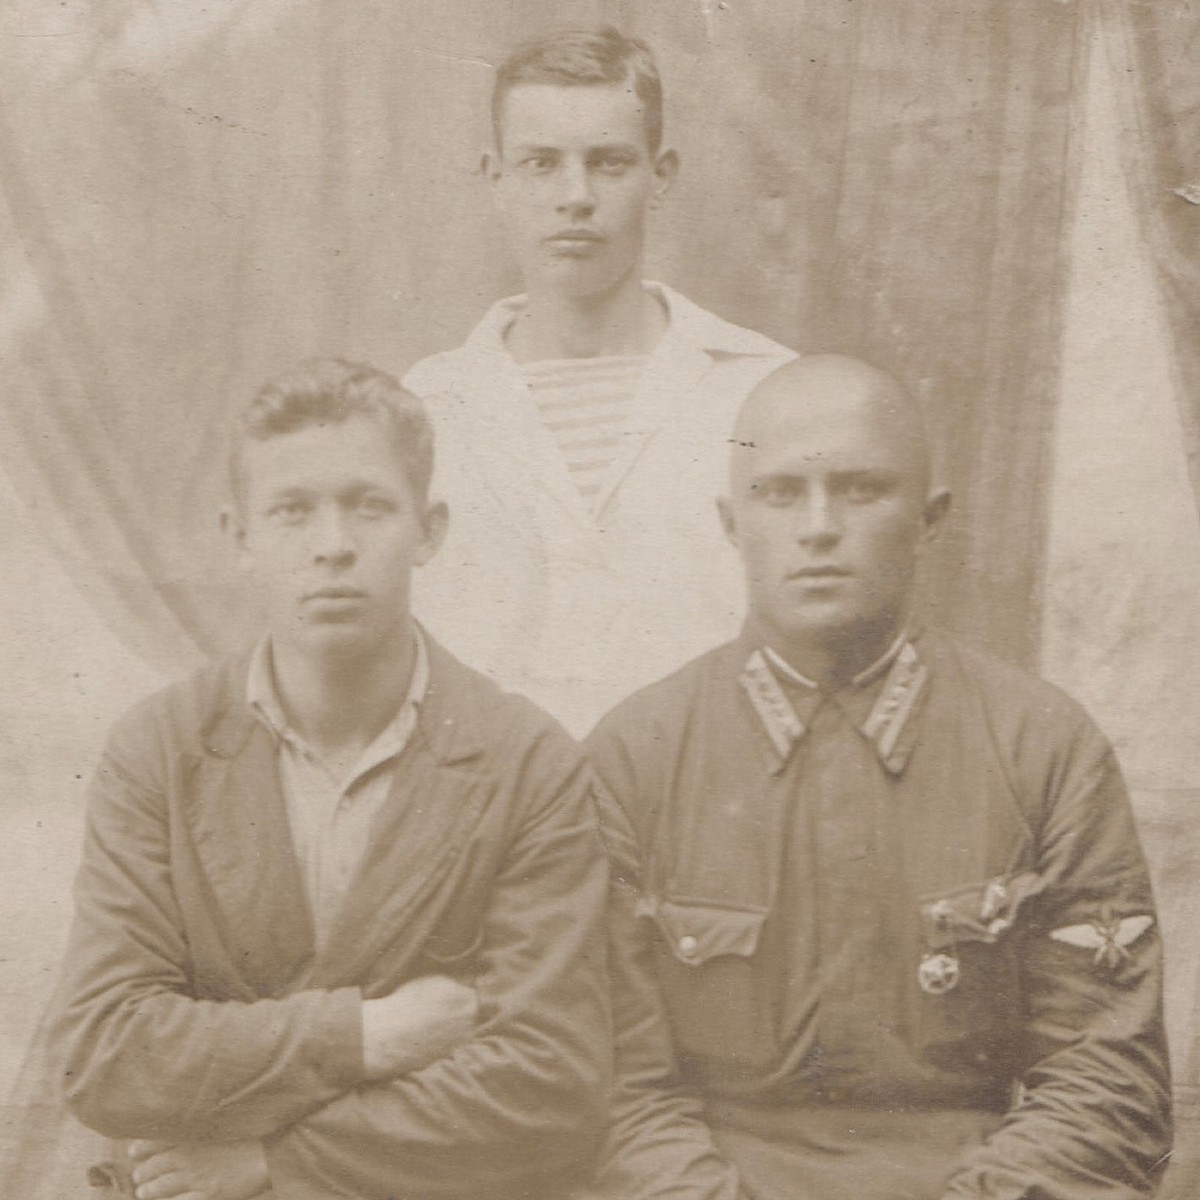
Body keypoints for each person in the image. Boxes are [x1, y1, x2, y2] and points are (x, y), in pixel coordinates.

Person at [583, 355, 1172, 1200]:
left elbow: (1106, 1079)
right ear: (730, 521)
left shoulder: (1044, 747)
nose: (819, 527)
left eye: (861, 491)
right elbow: (612, 1087)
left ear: (930, 519)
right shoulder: (634, 756)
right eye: (780, 493)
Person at [50, 359, 610, 1200]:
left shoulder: (529, 761)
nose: (333, 544)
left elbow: (551, 1081)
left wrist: (275, 1163)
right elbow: (103, 1052)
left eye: (369, 505)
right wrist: (361, 1035)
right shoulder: (159, 752)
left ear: (430, 530)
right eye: (293, 510)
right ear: (240, 536)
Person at [404, 26, 796, 736]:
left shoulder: (765, 391)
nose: (575, 196)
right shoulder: (423, 408)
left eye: (610, 163)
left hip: (703, 808)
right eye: (541, 164)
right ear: (496, 178)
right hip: (491, 820)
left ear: (662, 173)